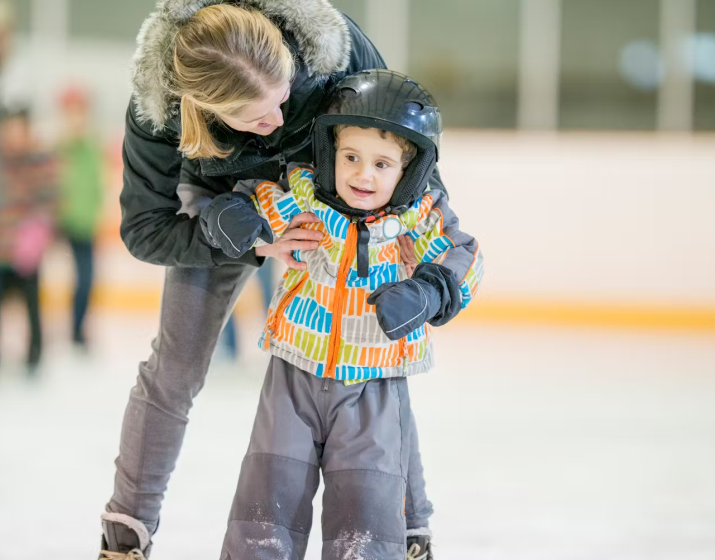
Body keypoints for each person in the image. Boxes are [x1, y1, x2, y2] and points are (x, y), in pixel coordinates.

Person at [100, 2, 450, 558]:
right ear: (203, 108)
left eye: (284, 99)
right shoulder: (159, 111)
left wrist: (427, 253)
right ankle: (126, 535)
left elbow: (403, 141)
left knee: (376, 356)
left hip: (326, 195)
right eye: (257, 117)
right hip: (219, 206)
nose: (280, 122)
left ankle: (411, 528)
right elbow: (145, 230)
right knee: (175, 368)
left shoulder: (333, 50)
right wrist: (246, 238)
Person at [209, 70, 484, 560]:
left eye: (382, 164)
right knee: (266, 501)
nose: (363, 175)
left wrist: (427, 291)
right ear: (330, 154)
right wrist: (232, 216)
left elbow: (464, 258)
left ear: (408, 170)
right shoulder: (306, 198)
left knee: (365, 515)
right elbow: (254, 198)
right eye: (351, 157)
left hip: (373, 386)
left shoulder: (417, 218)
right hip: (292, 375)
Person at [0, 107, 56, 375]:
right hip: (1, 250)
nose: (15, 135)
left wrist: (37, 233)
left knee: (32, 304)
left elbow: (49, 200)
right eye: (10, 129)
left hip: (27, 252)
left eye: (19, 129)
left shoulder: (39, 160)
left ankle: (35, 355)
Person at [57, 86, 105, 349]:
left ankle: (77, 330)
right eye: (71, 113)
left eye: (80, 112)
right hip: (58, 224)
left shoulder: (92, 146)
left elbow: (96, 186)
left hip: (85, 224)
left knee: (86, 279)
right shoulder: (58, 148)